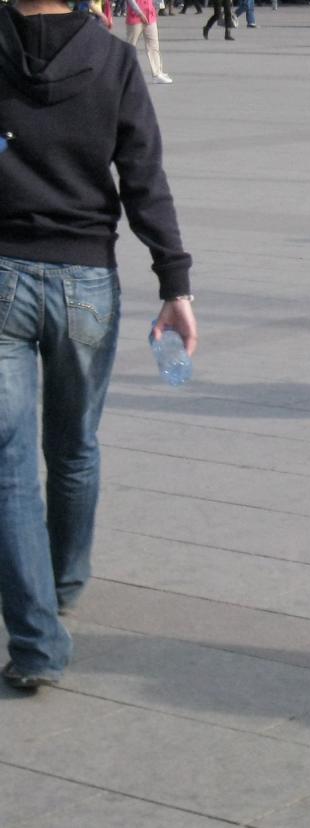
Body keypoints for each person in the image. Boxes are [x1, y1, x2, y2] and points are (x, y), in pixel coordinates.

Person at [0, 0, 197, 691]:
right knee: (75, 444)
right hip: (86, 280)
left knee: (8, 462)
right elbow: (143, 175)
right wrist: (175, 284)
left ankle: (36, 643)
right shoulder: (112, 58)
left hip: (3, 275)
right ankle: (63, 581)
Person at [126, 0, 172, 83]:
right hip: (136, 15)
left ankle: (157, 73)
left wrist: (157, 5)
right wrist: (139, 13)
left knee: (154, 45)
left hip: (150, 14)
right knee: (130, 46)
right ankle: (123, 74)